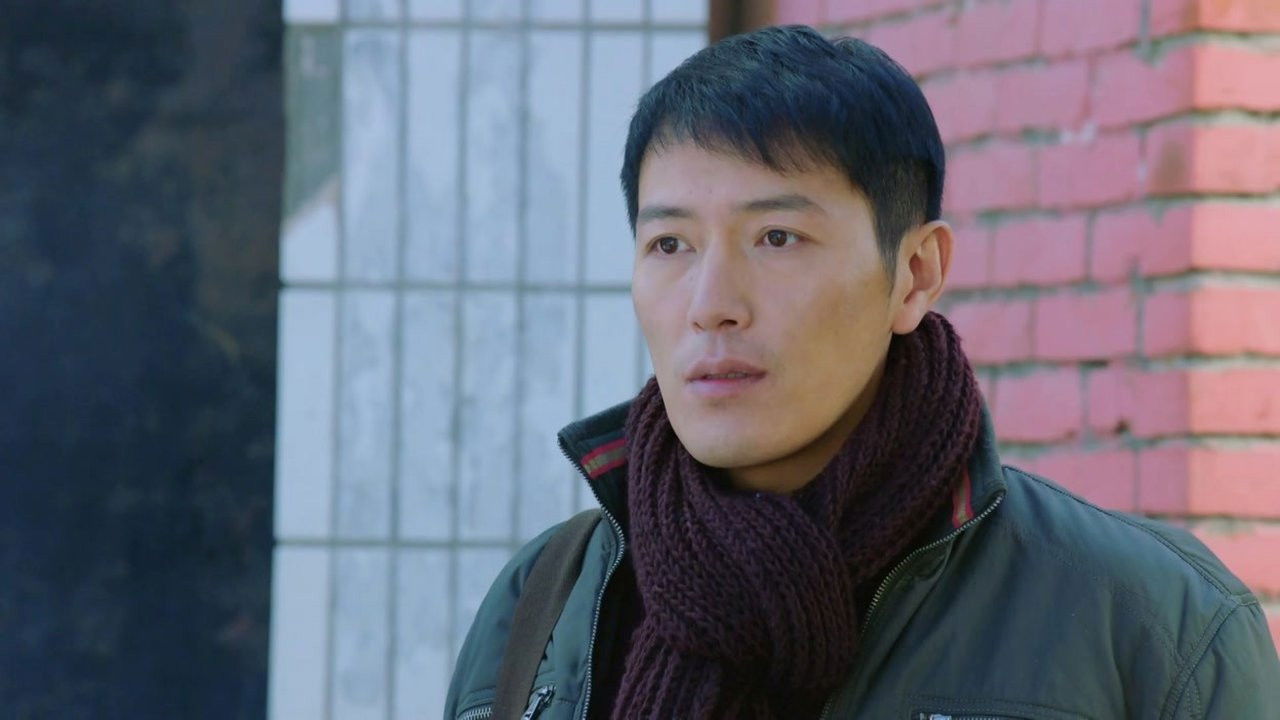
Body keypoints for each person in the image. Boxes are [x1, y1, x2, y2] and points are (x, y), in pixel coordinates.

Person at [444, 24, 1280, 719]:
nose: (711, 304)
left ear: (914, 274)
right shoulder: (547, 601)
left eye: (777, 238)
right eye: (670, 244)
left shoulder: (1149, 622)